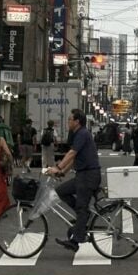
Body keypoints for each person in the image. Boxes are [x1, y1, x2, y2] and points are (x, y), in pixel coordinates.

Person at [48, 108, 101, 252]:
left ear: (77, 122)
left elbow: (72, 153)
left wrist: (57, 166)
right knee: (61, 191)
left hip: (88, 176)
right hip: (83, 175)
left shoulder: (82, 133)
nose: (68, 122)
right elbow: (75, 157)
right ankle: (82, 218)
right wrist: (62, 172)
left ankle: (76, 240)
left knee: (81, 207)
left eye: (70, 119)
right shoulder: (78, 134)